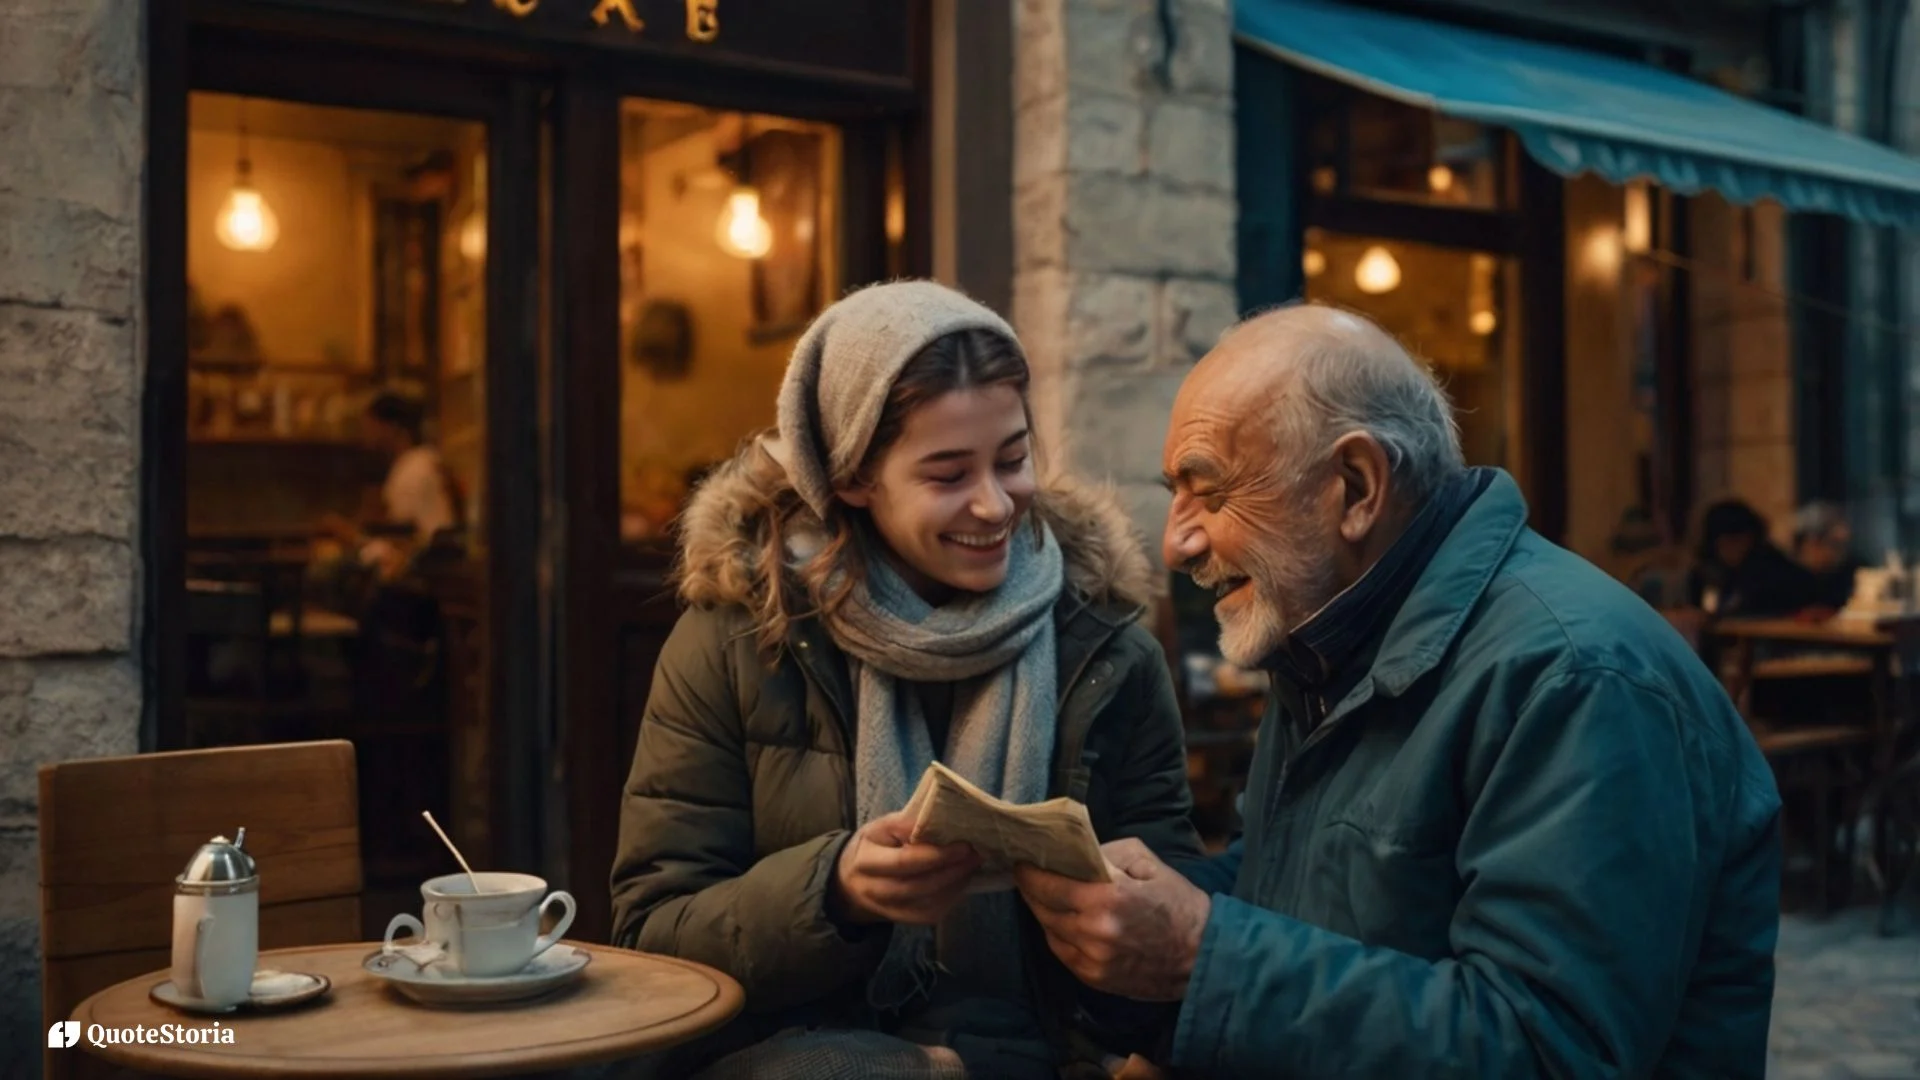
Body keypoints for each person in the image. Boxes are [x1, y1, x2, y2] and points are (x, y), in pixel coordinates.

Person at [1011, 303, 1782, 1077]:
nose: (1177, 542)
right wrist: (1117, 903)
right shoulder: (1329, 634)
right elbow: (1299, 890)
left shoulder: (1578, 679)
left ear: (1356, 487)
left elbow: (1550, 1048)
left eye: (1209, 494)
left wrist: (1200, 951)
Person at [609, 281, 1205, 1079]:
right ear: (854, 478)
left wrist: (1128, 937)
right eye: (948, 474)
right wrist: (835, 892)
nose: (995, 505)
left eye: (1014, 459)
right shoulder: (736, 641)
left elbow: (1174, 941)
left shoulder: (1106, 648)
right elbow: (652, 939)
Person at [1684, 498, 1821, 619]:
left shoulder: (1774, 570)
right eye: (1724, 543)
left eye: (1736, 540)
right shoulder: (1707, 571)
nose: (1731, 549)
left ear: (1751, 538)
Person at [1791, 500, 1859, 611]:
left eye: (1841, 546)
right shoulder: (1787, 577)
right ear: (1812, 542)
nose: (1839, 553)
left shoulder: (1848, 571)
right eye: (1834, 545)